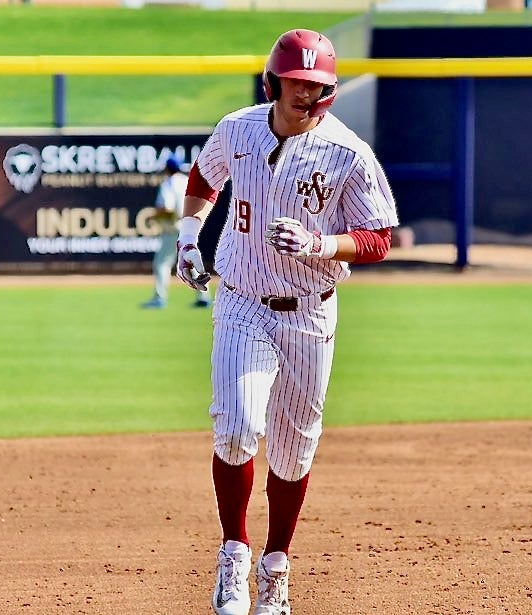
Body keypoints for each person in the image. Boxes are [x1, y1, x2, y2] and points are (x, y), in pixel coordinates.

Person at [175, 29, 398, 615]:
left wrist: (321, 243)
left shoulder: (348, 152)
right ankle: (234, 557)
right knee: (236, 425)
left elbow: (378, 238)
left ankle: (276, 565)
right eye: (297, 82)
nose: (306, 93)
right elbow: (204, 177)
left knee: (294, 453)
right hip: (243, 301)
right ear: (273, 81)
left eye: (317, 85)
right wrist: (190, 238)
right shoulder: (239, 128)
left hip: (309, 313)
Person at [142, 154, 211, 309]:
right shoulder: (186, 181)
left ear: (167, 168)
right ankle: (203, 296)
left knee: (161, 263)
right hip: (188, 227)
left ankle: (159, 298)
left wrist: (153, 216)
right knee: (189, 261)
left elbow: (167, 207)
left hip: (173, 228)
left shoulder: (169, 183)